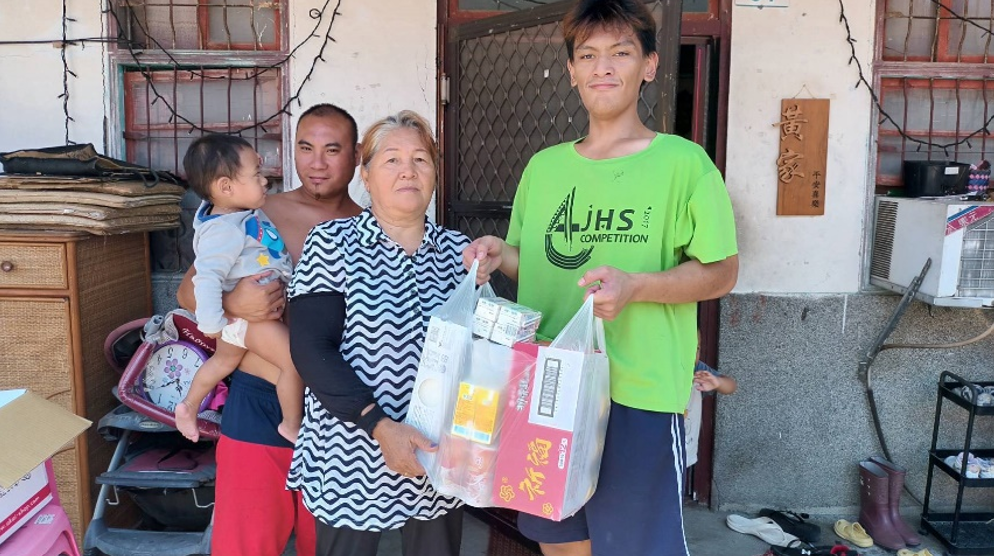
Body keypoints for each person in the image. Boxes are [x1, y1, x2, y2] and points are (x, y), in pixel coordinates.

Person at [463, 1, 739, 555]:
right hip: (548, 386)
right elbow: (536, 263)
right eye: (587, 55)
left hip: (638, 389)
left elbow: (722, 272)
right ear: (571, 71)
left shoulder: (683, 164)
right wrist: (499, 254)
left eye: (620, 53)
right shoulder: (544, 168)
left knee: (631, 547)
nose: (602, 67)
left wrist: (636, 286)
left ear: (650, 66)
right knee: (559, 540)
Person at [176, 103, 362, 556]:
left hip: (337, 409)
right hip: (258, 401)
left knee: (328, 547)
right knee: (247, 545)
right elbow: (188, 293)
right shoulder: (257, 211)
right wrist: (234, 301)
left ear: (356, 156)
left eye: (332, 150)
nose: (316, 162)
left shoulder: (369, 227)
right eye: (305, 148)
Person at [287, 110, 466, 556]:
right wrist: (378, 424)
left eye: (421, 160)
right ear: (365, 175)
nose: (408, 170)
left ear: (434, 175)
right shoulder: (332, 243)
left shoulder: (459, 253)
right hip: (353, 451)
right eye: (391, 160)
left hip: (435, 453)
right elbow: (311, 348)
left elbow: (481, 351)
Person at [176, 134, 301, 445]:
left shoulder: (238, 213)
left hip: (248, 319)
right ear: (226, 188)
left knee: (223, 362)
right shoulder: (222, 231)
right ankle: (291, 424)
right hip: (250, 321)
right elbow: (205, 279)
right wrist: (213, 323)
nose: (266, 181)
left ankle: (188, 405)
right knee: (295, 360)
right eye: (256, 175)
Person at [685, 333, 737, 468]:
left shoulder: (698, 370)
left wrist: (717, 382)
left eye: (696, 348)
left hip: (685, 449)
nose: (691, 353)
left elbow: (731, 386)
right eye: (684, 347)